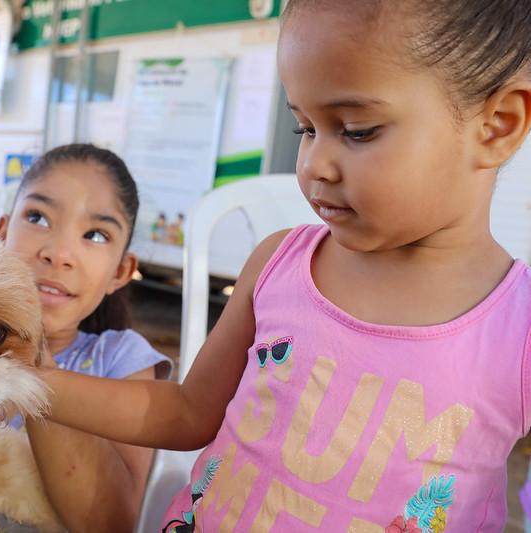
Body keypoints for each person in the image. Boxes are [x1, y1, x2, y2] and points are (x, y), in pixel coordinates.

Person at [38, 1, 531, 531]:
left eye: (357, 130)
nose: (314, 164)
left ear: (497, 126)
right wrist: (24, 381)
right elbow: (187, 412)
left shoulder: (519, 329)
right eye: (305, 129)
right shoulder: (278, 263)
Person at [0, 143, 172, 533]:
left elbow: (114, 524)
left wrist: (37, 361)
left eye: (96, 235)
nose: (59, 253)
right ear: (2, 233)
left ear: (121, 271)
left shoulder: (122, 360)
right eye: (37, 217)